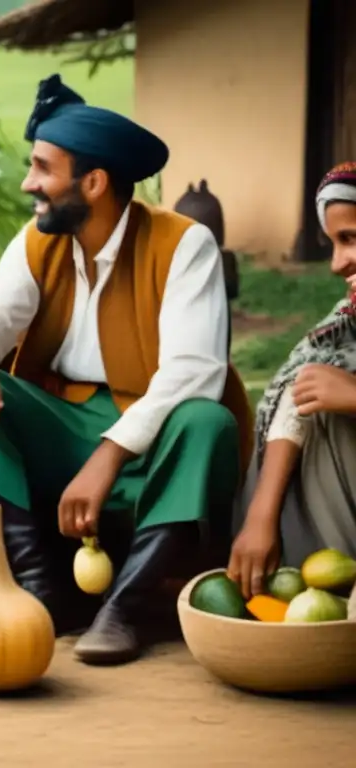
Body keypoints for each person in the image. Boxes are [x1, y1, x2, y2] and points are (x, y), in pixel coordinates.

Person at [0, 74, 254, 665]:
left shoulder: (186, 244)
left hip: (146, 441)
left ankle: (122, 609)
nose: (29, 183)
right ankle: (39, 591)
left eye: (43, 169)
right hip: (61, 421)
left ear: (94, 183)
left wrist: (108, 455)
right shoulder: (37, 242)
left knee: (207, 420)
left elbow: (193, 371)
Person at [229, 161, 356, 600]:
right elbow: (297, 388)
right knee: (313, 399)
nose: (339, 263)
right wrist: (261, 518)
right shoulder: (347, 321)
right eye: (334, 244)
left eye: (351, 239)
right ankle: (314, 587)